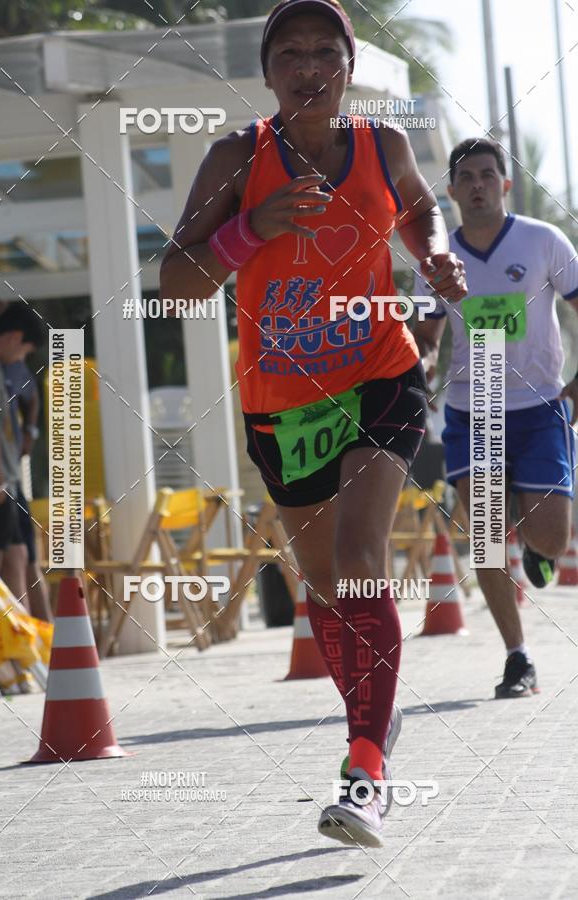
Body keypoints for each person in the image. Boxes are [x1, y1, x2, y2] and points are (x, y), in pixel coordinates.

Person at [161, 0, 466, 847]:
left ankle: (364, 768)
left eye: (323, 51)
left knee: (364, 560)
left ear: (349, 65)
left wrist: (432, 249)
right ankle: (379, 723)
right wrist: (250, 230)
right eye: (288, 53)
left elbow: (416, 208)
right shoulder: (236, 157)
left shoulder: (382, 143)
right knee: (328, 588)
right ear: (266, 72)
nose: (307, 66)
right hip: (282, 400)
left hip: (380, 373)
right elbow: (177, 282)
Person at [413, 137, 578, 699]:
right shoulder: (436, 261)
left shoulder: (543, 241)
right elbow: (427, 336)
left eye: (489, 175)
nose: (479, 185)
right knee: (483, 537)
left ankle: (537, 550)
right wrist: (421, 370)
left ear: (505, 185)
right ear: (454, 190)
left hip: (539, 409)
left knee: (554, 539)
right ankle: (517, 657)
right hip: (472, 406)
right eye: (468, 177)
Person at [0, 301, 46, 608]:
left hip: (3, 478)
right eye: (25, 351)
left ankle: (25, 646)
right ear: (15, 337)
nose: (22, 359)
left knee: (15, 556)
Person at [2, 359, 52, 622]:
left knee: (24, 557)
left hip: (5, 480)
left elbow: (31, 395)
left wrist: (30, 432)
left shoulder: (5, 364)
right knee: (18, 557)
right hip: (1, 480)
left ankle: (40, 642)